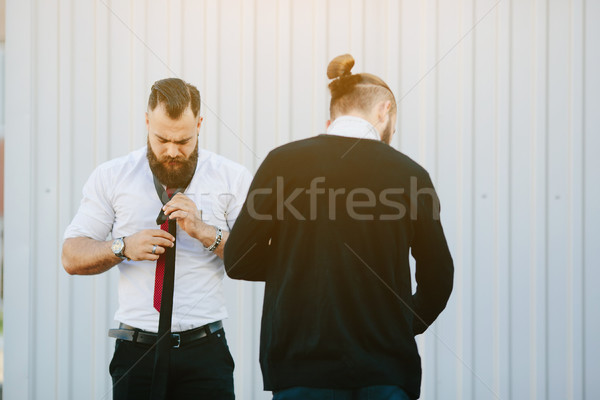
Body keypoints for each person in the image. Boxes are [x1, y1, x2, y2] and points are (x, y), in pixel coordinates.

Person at [224, 54, 454, 400]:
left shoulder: (282, 162)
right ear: (384, 110)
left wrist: (297, 261)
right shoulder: (410, 175)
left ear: (332, 114)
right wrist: (400, 327)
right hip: (386, 371)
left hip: (302, 369)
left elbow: (238, 260)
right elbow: (439, 277)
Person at [62, 78, 252, 399]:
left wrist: (205, 232)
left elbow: (259, 258)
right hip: (137, 352)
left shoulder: (231, 177)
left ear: (200, 125)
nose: (172, 151)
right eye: (162, 139)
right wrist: (122, 247)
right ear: (147, 121)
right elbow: (71, 255)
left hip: (205, 352)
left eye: (184, 140)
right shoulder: (113, 176)